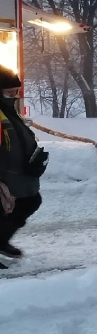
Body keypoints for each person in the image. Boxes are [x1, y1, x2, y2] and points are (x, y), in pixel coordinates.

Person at [0, 66, 46, 259]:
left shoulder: (9, 112)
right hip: (4, 175)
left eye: (16, 91)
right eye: (9, 92)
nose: (15, 95)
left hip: (17, 174)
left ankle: (1, 241)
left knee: (30, 201)